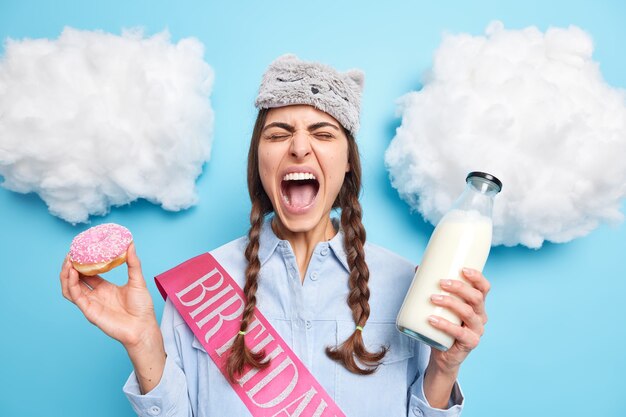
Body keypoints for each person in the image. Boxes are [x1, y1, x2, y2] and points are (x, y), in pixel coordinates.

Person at [60, 54, 490, 417]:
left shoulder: (410, 286)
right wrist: (143, 342)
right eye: (278, 134)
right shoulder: (199, 288)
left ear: (346, 166)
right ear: (260, 165)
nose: (299, 148)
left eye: (323, 134)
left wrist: (444, 370)